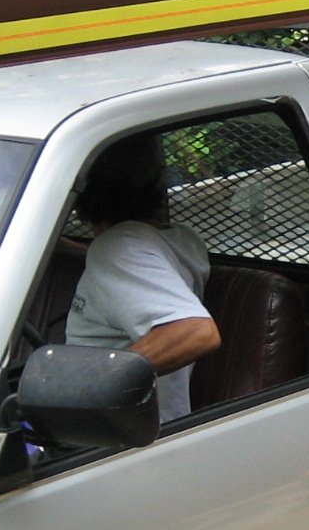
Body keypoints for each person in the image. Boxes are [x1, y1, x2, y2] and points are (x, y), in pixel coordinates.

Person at [60, 133, 220, 424]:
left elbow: (196, 331)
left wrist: (76, 392)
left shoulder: (116, 250)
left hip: (108, 433)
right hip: (159, 421)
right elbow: (131, 262)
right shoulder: (181, 240)